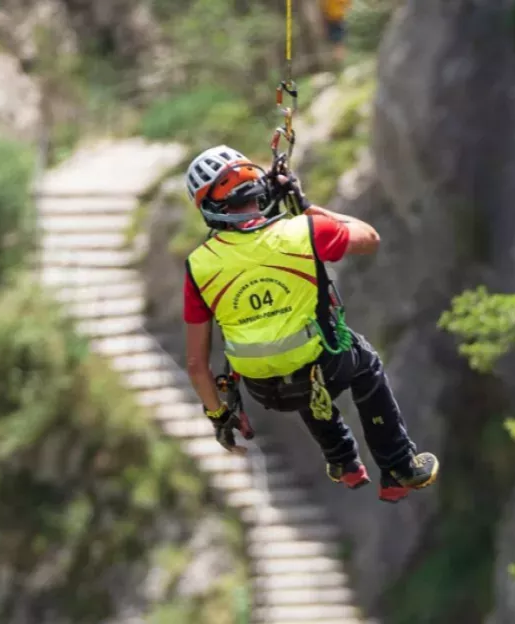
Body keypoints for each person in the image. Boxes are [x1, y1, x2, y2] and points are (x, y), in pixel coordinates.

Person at [181, 145, 439, 504]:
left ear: (210, 209)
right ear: (262, 188)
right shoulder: (303, 231)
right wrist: (304, 204)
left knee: (291, 354)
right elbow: (369, 237)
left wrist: (220, 416)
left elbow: (196, 364)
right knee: (361, 363)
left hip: (263, 391)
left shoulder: (199, 265)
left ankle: (343, 462)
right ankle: (398, 467)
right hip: (324, 368)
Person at [320, 0, 351, 65]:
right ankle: (336, 56)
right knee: (336, 40)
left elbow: (348, 5)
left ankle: (338, 56)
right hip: (331, 19)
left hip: (338, 19)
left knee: (338, 40)